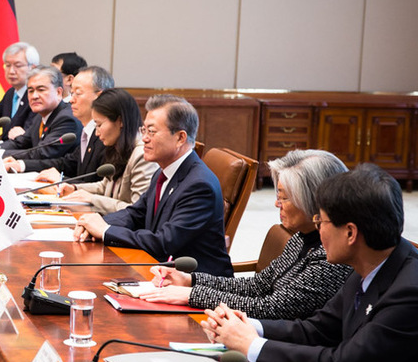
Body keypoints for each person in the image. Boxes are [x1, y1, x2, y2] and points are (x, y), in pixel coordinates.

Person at [202, 164, 418, 362]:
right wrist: (247, 326)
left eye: (321, 222)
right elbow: (317, 329)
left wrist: (252, 346)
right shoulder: (371, 261)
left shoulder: (413, 294)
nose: (317, 232)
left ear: (350, 233)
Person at [141, 149, 351, 319]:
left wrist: (192, 295)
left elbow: (271, 308)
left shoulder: (332, 255)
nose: (276, 203)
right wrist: (190, 280)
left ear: (312, 200)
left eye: (284, 198)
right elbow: (257, 285)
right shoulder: (301, 237)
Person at [73, 94, 233, 276]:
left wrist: (106, 231)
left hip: (196, 285)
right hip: (160, 272)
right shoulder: (163, 171)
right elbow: (136, 214)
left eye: (152, 132)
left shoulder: (199, 185)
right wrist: (95, 224)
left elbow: (163, 243)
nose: (144, 139)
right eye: (144, 131)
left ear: (180, 138)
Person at [5, 66, 114, 180]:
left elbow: (99, 187)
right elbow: (68, 163)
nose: (71, 100)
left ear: (99, 96)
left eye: (78, 93)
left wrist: (62, 181)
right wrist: (21, 165)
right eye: (72, 93)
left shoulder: (106, 135)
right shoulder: (88, 131)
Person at [58, 88, 156, 214]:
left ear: (120, 121)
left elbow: (137, 210)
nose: (97, 133)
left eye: (99, 125)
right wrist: (75, 188)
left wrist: (92, 200)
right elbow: (105, 186)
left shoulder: (142, 155)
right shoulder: (118, 146)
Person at [0, 65, 81, 162]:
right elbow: (21, 142)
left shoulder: (67, 118)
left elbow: (42, 153)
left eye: (41, 90)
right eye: (31, 91)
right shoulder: (40, 116)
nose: (34, 96)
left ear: (58, 92)